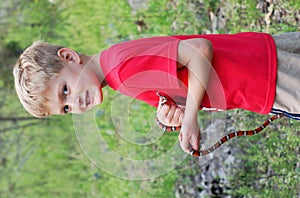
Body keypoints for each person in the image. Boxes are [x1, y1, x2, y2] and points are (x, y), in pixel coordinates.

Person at [13, 32, 300, 155]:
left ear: (69, 57)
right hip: (258, 55)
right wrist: (173, 110)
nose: (75, 103)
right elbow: (178, 77)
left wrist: (189, 119)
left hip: (262, 78)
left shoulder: (122, 70)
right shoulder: (114, 68)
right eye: (65, 108)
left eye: (65, 90)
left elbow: (199, 51)